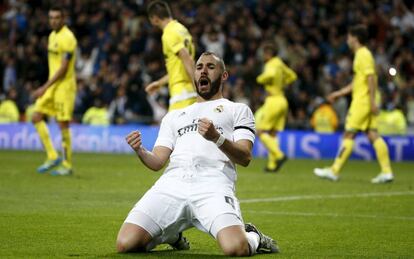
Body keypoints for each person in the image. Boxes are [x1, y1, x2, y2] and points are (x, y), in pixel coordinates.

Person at [117, 52, 278, 256]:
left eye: (211, 67)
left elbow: (245, 157)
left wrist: (216, 137)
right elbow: (157, 162)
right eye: (199, 66)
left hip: (213, 185)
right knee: (125, 244)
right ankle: (173, 235)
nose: (203, 70)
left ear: (224, 76)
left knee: (236, 249)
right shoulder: (174, 116)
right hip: (172, 184)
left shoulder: (238, 110)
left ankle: (254, 236)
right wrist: (140, 150)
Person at [314, 25, 394, 183]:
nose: (347, 40)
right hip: (366, 99)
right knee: (373, 134)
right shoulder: (362, 55)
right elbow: (358, 82)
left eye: (349, 37)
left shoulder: (362, 54)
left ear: (355, 38)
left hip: (363, 102)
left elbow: (371, 78)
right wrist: (339, 93)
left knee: (349, 134)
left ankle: (334, 171)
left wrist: (371, 101)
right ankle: (387, 172)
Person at [31, 5, 77, 176]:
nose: (53, 20)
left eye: (57, 17)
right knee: (35, 116)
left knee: (63, 124)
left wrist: (44, 87)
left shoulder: (68, 38)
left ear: (63, 18)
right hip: (52, 86)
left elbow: (64, 68)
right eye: (51, 17)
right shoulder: (52, 36)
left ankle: (67, 164)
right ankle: (52, 156)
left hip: (64, 86)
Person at [145, 0, 197, 111]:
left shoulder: (169, 33)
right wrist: (159, 83)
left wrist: (198, 87)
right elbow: (182, 64)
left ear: (154, 19)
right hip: (188, 91)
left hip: (182, 93)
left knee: (170, 127)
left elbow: (186, 58)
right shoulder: (182, 29)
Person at [255, 42, 297, 172]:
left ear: (268, 54)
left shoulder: (271, 63)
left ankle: (279, 155)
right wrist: (283, 84)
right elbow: (293, 76)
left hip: (272, 100)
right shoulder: (280, 63)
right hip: (282, 100)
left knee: (260, 130)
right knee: (273, 133)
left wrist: (260, 79)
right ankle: (272, 165)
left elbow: (270, 75)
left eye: (264, 54)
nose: (263, 56)